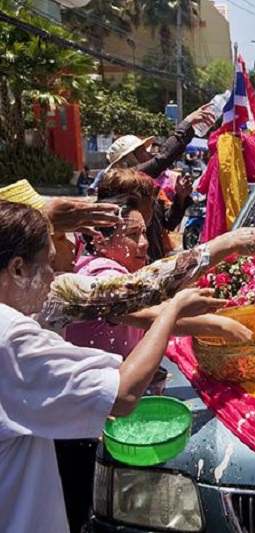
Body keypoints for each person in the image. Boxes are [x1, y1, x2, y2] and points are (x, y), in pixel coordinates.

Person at [0, 200, 227, 532]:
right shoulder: (12, 337)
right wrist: (172, 311)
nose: (57, 274)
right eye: (49, 261)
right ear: (18, 268)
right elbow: (122, 393)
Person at [104, 103, 215, 260]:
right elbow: (163, 158)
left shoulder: (147, 189)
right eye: (142, 151)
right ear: (128, 160)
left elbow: (167, 223)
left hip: (152, 256)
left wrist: (180, 197)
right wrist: (187, 123)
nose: (149, 154)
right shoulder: (125, 184)